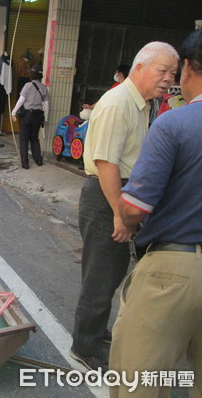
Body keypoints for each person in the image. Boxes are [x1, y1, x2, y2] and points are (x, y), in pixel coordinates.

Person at [70, 41, 179, 371]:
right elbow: (106, 163)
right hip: (107, 197)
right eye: (162, 71)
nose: (168, 79)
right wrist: (120, 213)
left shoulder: (142, 104)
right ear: (140, 68)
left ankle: (95, 332)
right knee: (100, 277)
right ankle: (84, 346)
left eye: (173, 73)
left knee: (112, 271)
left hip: (118, 196)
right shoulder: (118, 103)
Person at [109, 29, 202, 397]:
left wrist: (124, 215)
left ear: (188, 71)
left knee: (138, 382)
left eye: (173, 71)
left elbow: (135, 206)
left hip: (174, 270)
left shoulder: (176, 123)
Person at [11, 65, 49, 169]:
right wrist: (45, 119)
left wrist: (13, 112)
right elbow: (46, 105)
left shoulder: (27, 85)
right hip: (38, 116)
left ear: (32, 74)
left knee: (24, 139)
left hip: (27, 115)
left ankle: (25, 163)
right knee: (34, 138)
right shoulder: (44, 88)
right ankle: (38, 160)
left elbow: (21, 100)